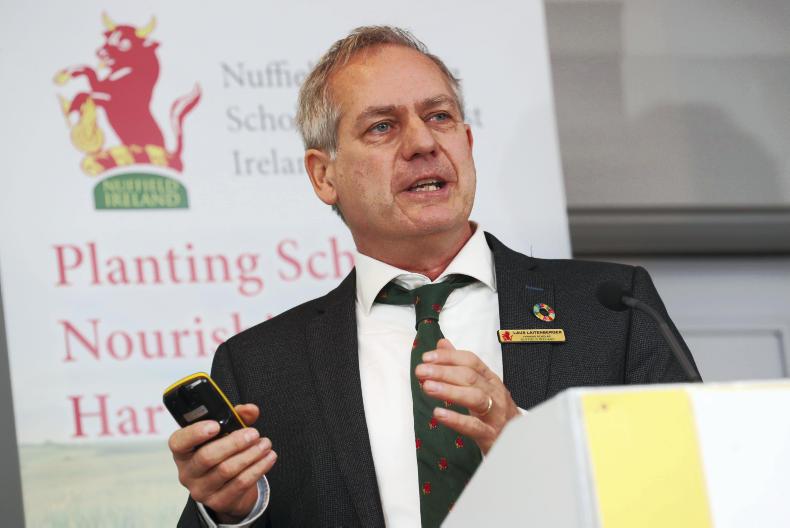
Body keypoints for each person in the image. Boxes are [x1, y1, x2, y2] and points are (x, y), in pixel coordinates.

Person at [169, 26, 699, 527]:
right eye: (382, 126)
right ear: (323, 175)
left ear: (467, 141)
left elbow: (695, 494)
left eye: (439, 117)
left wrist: (529, 447)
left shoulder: (612, 311)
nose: (423, 143)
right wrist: (230, 514)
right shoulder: (260, 366)